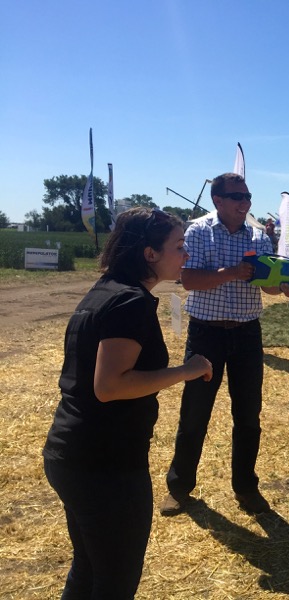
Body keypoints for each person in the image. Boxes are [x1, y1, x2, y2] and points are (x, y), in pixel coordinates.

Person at [43, 208, 213, 598]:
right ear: (150, 253)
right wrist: (186, 370)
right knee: (114, 582)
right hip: (105, 466)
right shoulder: (130, 302)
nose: (186, 254)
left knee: (88, 570)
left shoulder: (106, 289)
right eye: (179, 246)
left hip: (74, 455)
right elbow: (109, 386)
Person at [161, 173, 289, 517]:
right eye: (238, 197)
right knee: (195, 413)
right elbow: (189, 280)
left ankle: (246, 488)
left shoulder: (258, 236)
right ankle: (179, 487)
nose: (245, 203)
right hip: (206, 334)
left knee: (248, 414)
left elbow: (266, 285)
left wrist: (284, 287)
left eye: (248, 196)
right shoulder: (198, 231)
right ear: (218, 200)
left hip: (247, 334)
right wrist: (232, 272)